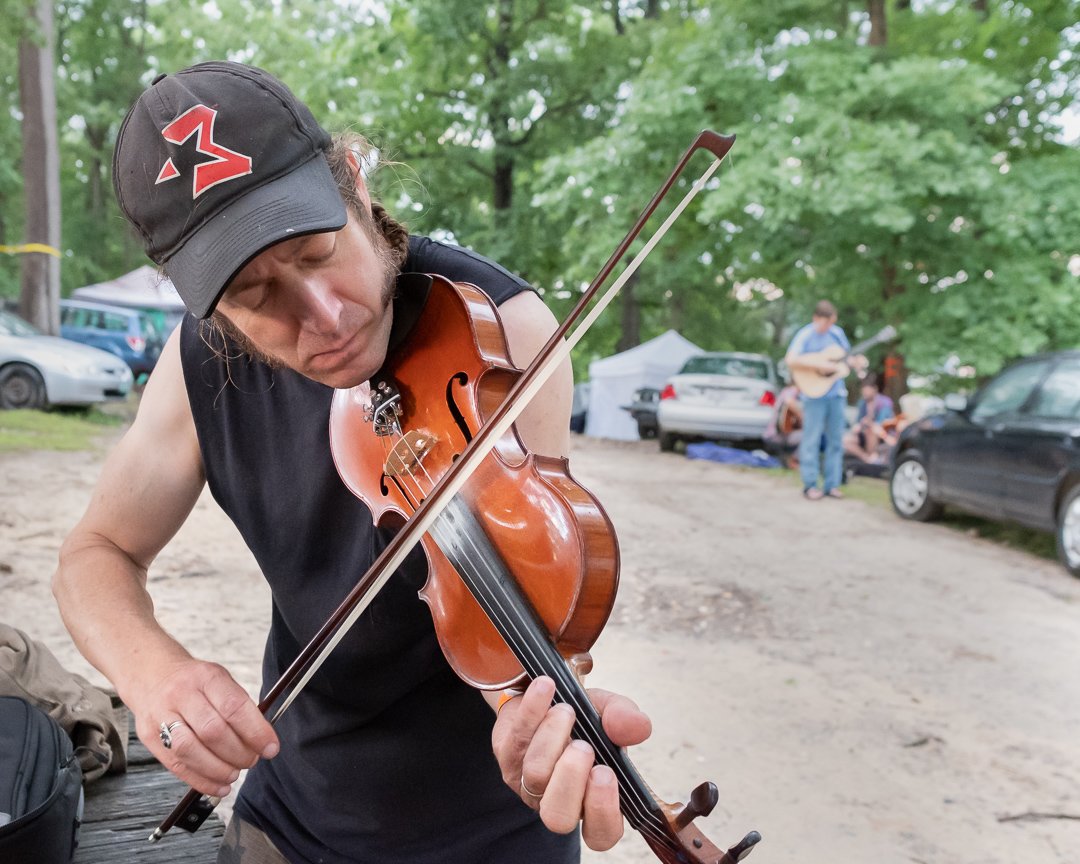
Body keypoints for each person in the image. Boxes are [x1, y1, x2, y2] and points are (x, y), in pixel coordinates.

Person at [51, 61, 651, 864]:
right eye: (256, 296)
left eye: (315, 249)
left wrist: (536, 712)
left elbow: (526, 600)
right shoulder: (200, 362)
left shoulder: (501, 337)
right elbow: (95, 556)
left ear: (354, 187)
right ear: (210, 309)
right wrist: (154, 674)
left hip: (484, 832)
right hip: (288, 814)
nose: (324, 317)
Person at [784, 300, 862, 500]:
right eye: (826, 323)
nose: (829, 327)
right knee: (811, 438)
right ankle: (810, 484)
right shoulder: (805, 335)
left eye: (831, 323)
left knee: (836, 441)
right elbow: (791, 359)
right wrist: (819, 363)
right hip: (813, 394)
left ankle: (832, 485)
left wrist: (855, 363)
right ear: (816, 319)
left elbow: (846, 359)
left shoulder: (836, 334)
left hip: (836, 394)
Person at [843, 373, 896, 465]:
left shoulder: (884, 403)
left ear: (875, 389)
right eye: (863, 391)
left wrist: (868, 423)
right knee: (846, 440)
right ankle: (866, 458)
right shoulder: (862, 403)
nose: (865, 393)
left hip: (881, 435)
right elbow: (858, 421)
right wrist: (859, 426)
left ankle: (872, 456)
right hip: (863, 434)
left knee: (872, 430)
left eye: (867, 391)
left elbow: (882, 424)